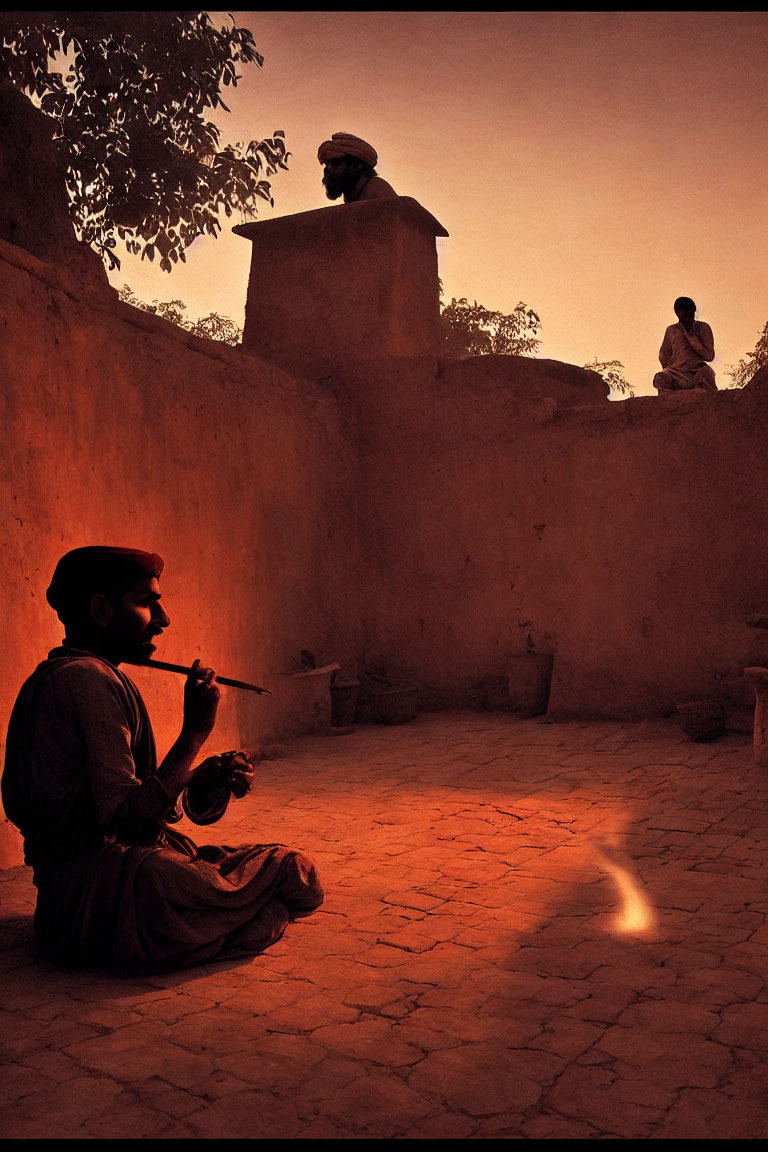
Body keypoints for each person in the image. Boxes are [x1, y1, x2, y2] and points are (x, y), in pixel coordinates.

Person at [1, 546, 324, 974]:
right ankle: (226, 913)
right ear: (101, 608)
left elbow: (146, 808)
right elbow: (127, 821)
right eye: (148, 602)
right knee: (285, 874)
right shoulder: (85, 679)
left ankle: (227, 912)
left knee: (268, 872)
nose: (163, 618)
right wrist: (193, 734)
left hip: (89, 888)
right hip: (94, 896)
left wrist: (205, 779)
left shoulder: (88, 675)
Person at [653, 297, 717, 393]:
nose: (687, 314)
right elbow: (663, 356)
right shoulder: (671, 330)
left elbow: (709, 356)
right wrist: (672, 370)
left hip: (697, 370)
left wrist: (692, 339)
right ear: (677, 314)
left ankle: (698, 394)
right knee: (660, 378)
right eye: (683, 311)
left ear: (694, 312)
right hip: (677, 373)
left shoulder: (703, 327)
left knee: (707, 374)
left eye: (689, 311)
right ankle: (671, 400)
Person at [317, 132, 398, 204]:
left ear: (354, 165)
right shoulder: (353, 197)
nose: (327, 170)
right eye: (327, 165)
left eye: (335, 164)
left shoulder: (376, 189)